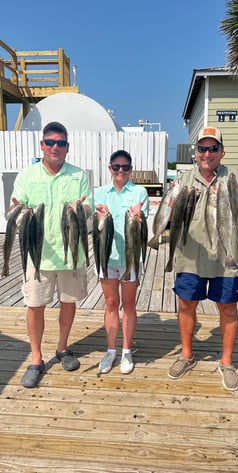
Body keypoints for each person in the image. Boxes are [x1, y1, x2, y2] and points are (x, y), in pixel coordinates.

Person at [168, 127, 238, 391]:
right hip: (189, 256)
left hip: (226, 257)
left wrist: (231, 199)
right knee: (186, 304)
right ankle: (186, 355)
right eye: (202, 148)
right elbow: (171, 217)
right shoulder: (183, 179)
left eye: (213, 148)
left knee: (228, 308)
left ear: (222, 152)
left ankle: (226, 363)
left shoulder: (236, 178)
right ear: (196, 152)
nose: (207, 153)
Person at [11, 122, 93, 388]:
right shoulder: (26, 175)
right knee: (35, 306)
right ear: (42, 145)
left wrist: (84, 209)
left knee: (68, 302)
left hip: (71, 255)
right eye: (50, 142)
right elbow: (14, 209)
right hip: (38, 255)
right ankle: (36, 359)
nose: (55, 147)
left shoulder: (79, 175)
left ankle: (62, 347)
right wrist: (18, 211)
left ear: (67, 147)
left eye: (60, 143)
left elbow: (88, 208)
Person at [94, 150, 149, 375]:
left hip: (130, 258)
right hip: (106, 257)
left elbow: (141, 225)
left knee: (128, 304)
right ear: (110, 168)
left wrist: (139, 215)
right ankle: (110, 350)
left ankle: (126, 350)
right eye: (116, 167)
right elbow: (96, 224)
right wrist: (98, 215)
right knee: (110, 303)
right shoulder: (100, 192)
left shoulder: (139, 192)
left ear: (130, 169)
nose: (120, 171)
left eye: (125, 167)